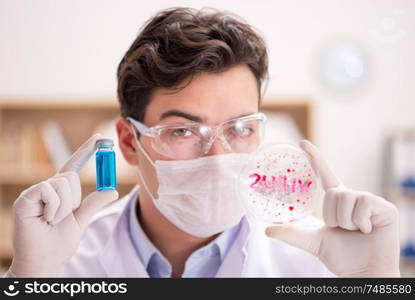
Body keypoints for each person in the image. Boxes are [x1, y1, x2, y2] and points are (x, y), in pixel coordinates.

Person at [4, 7, 400, 278]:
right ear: (128, 143)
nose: (218, 156)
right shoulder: (62, 261)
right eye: (183, 131)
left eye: (240, 128)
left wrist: (373, 284)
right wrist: (28, 280)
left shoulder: (315, 261)